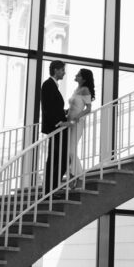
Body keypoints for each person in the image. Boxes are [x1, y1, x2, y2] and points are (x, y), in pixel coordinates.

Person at [40, 60, 68, 195]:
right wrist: (58, 122)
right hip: (56, 127)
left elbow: (54, 108)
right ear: (56, 70)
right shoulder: (48, 85)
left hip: (57, 126)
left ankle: (50, 188)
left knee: (56, 158)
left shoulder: (52, 85)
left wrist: (64, 113)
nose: (64, 72)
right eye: (62, 70)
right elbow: (47, 108)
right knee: (59, 158)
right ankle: (51, 188)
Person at [66, 68, 96, 183]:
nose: (76, 75)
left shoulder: (85, 90)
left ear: (83, 78)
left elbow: (88, 108)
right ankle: (76, 174)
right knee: (68, 150)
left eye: (78, 75)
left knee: (71, 150)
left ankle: (77, 175)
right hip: (69, 121)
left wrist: (78, 116)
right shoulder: (76, 89)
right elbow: (72, 106)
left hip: (77, 122)